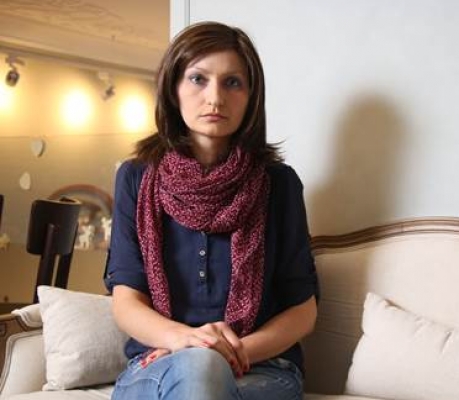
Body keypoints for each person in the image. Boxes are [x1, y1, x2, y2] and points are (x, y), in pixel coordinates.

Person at [104, 21, 319, 400]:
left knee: (202, 372)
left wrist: (227, 353)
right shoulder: (135, 178)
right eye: (198, 79)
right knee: (196, 370)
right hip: (161, 361)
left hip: (260, 366)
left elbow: (303, 311)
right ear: (173, 88)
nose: (215, 98)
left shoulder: (279, 184)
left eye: (232, 82)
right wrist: (183, 341)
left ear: (252, 96)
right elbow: (126, 301)